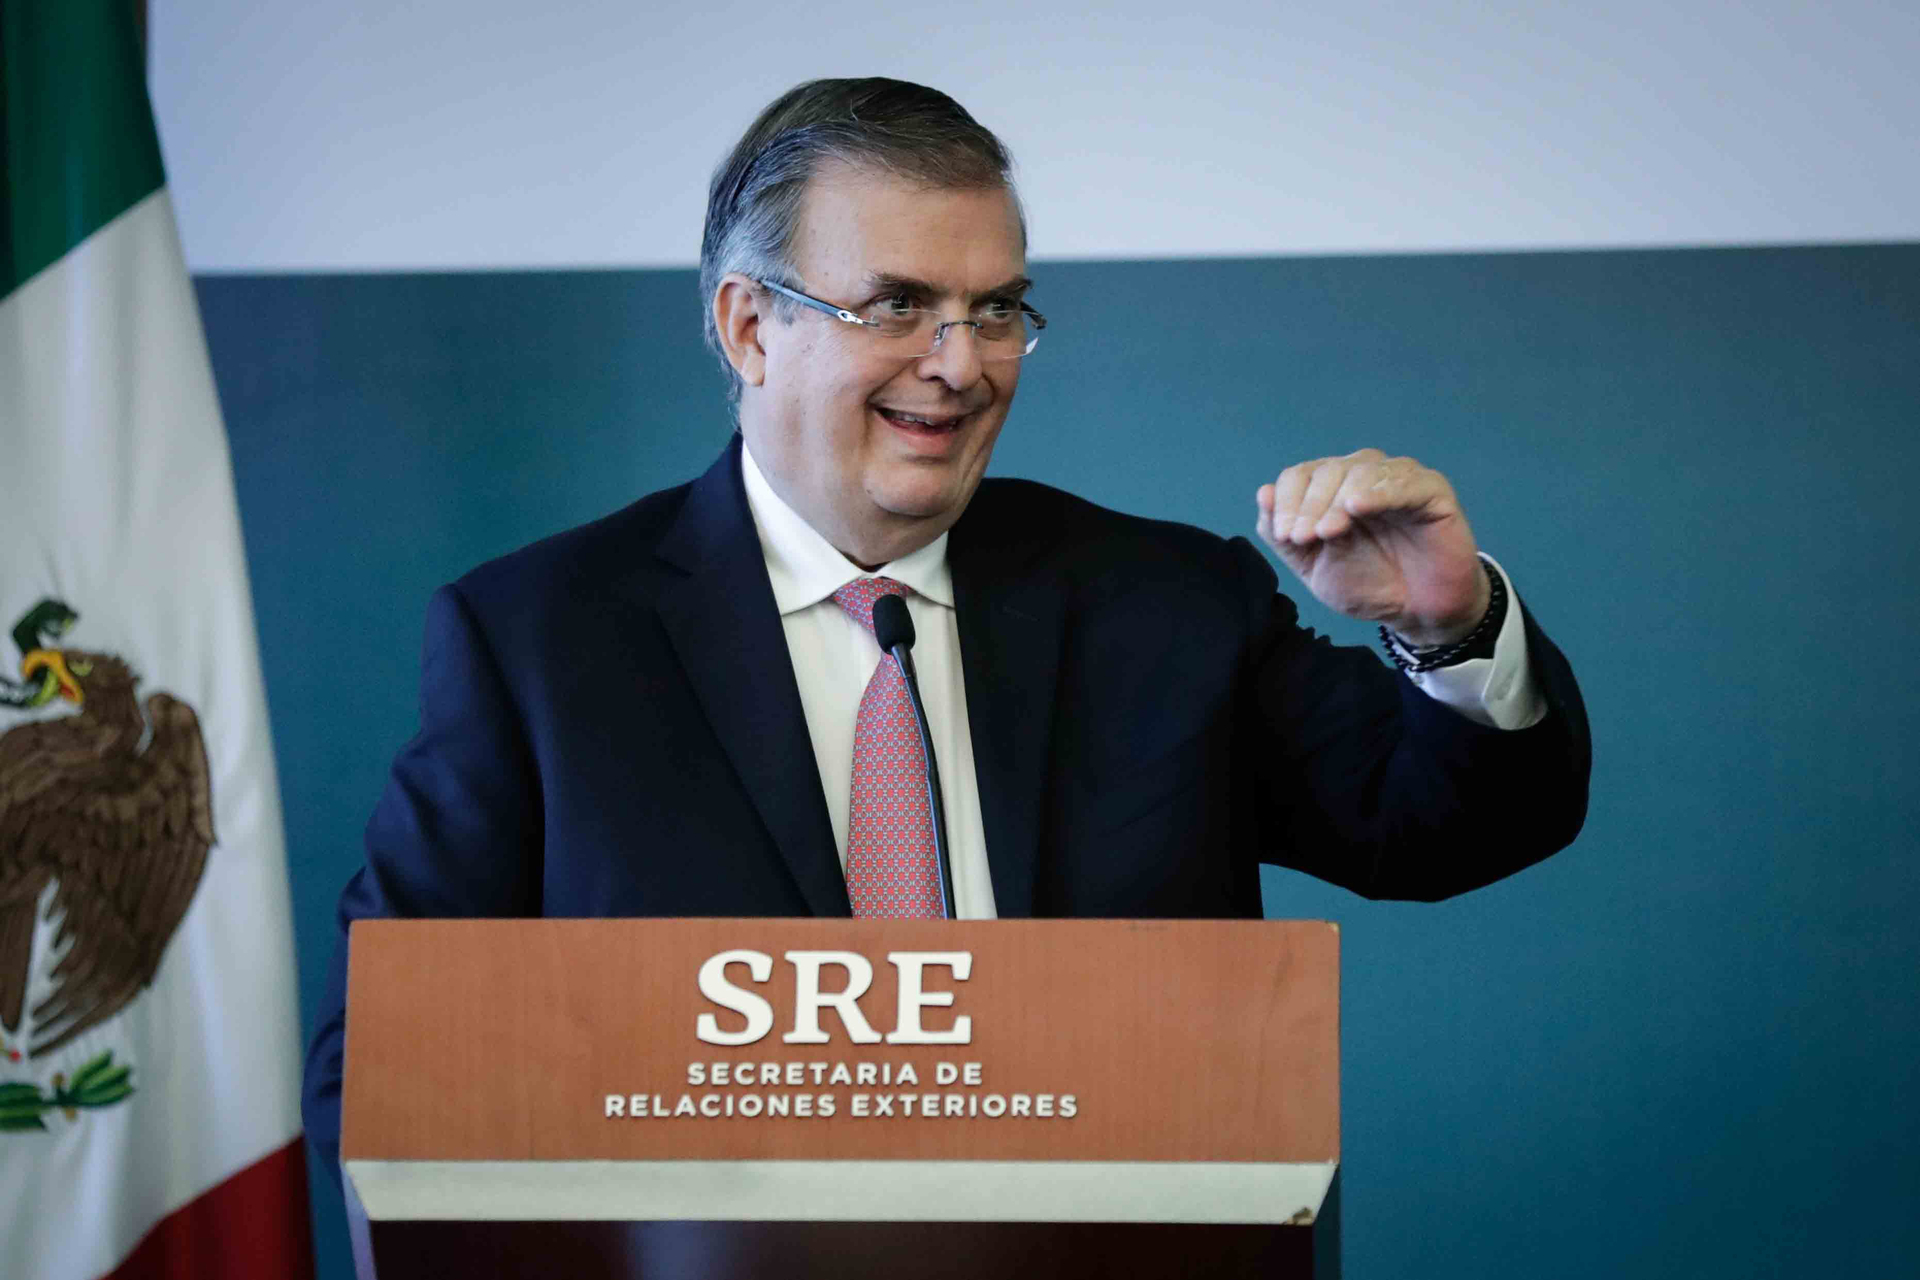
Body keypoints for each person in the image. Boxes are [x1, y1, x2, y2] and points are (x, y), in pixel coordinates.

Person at [302, 78, 1590, 1172]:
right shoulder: (540, 641)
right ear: (750, 328)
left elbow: (1447, 829)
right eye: (898, 305)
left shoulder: (1164, 604)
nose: (961, 363)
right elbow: (387, 1063)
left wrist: (1448, 623)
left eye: (997, 310)